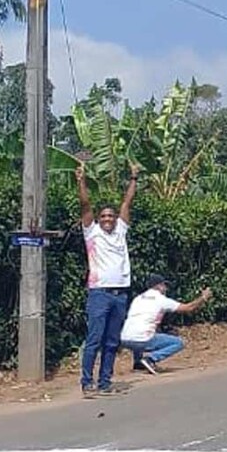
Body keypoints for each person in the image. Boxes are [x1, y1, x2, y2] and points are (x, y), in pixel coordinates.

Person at [78, 163, 139, 397]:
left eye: (110, 216)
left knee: (112, 342)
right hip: (99, 293)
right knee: (94, 339)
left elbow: (127, 202)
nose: (107, 219)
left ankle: (105, 381)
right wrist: (81, 181)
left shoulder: (121, 231)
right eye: (103, 216)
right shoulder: (91, 233)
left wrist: (134, 177)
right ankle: (87, 382)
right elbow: (85, 205)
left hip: (120, 294)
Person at [120, 274, 212, 375]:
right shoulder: (161, 299)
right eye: (164, 285)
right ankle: (150, 359)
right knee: (178, 343)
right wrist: (203, 298)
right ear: (159, 286)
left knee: (141, 329)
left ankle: (138, 364)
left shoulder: (138, 298)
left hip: (124, 339)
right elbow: (188, 308)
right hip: (142, 340)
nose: (166, 288)